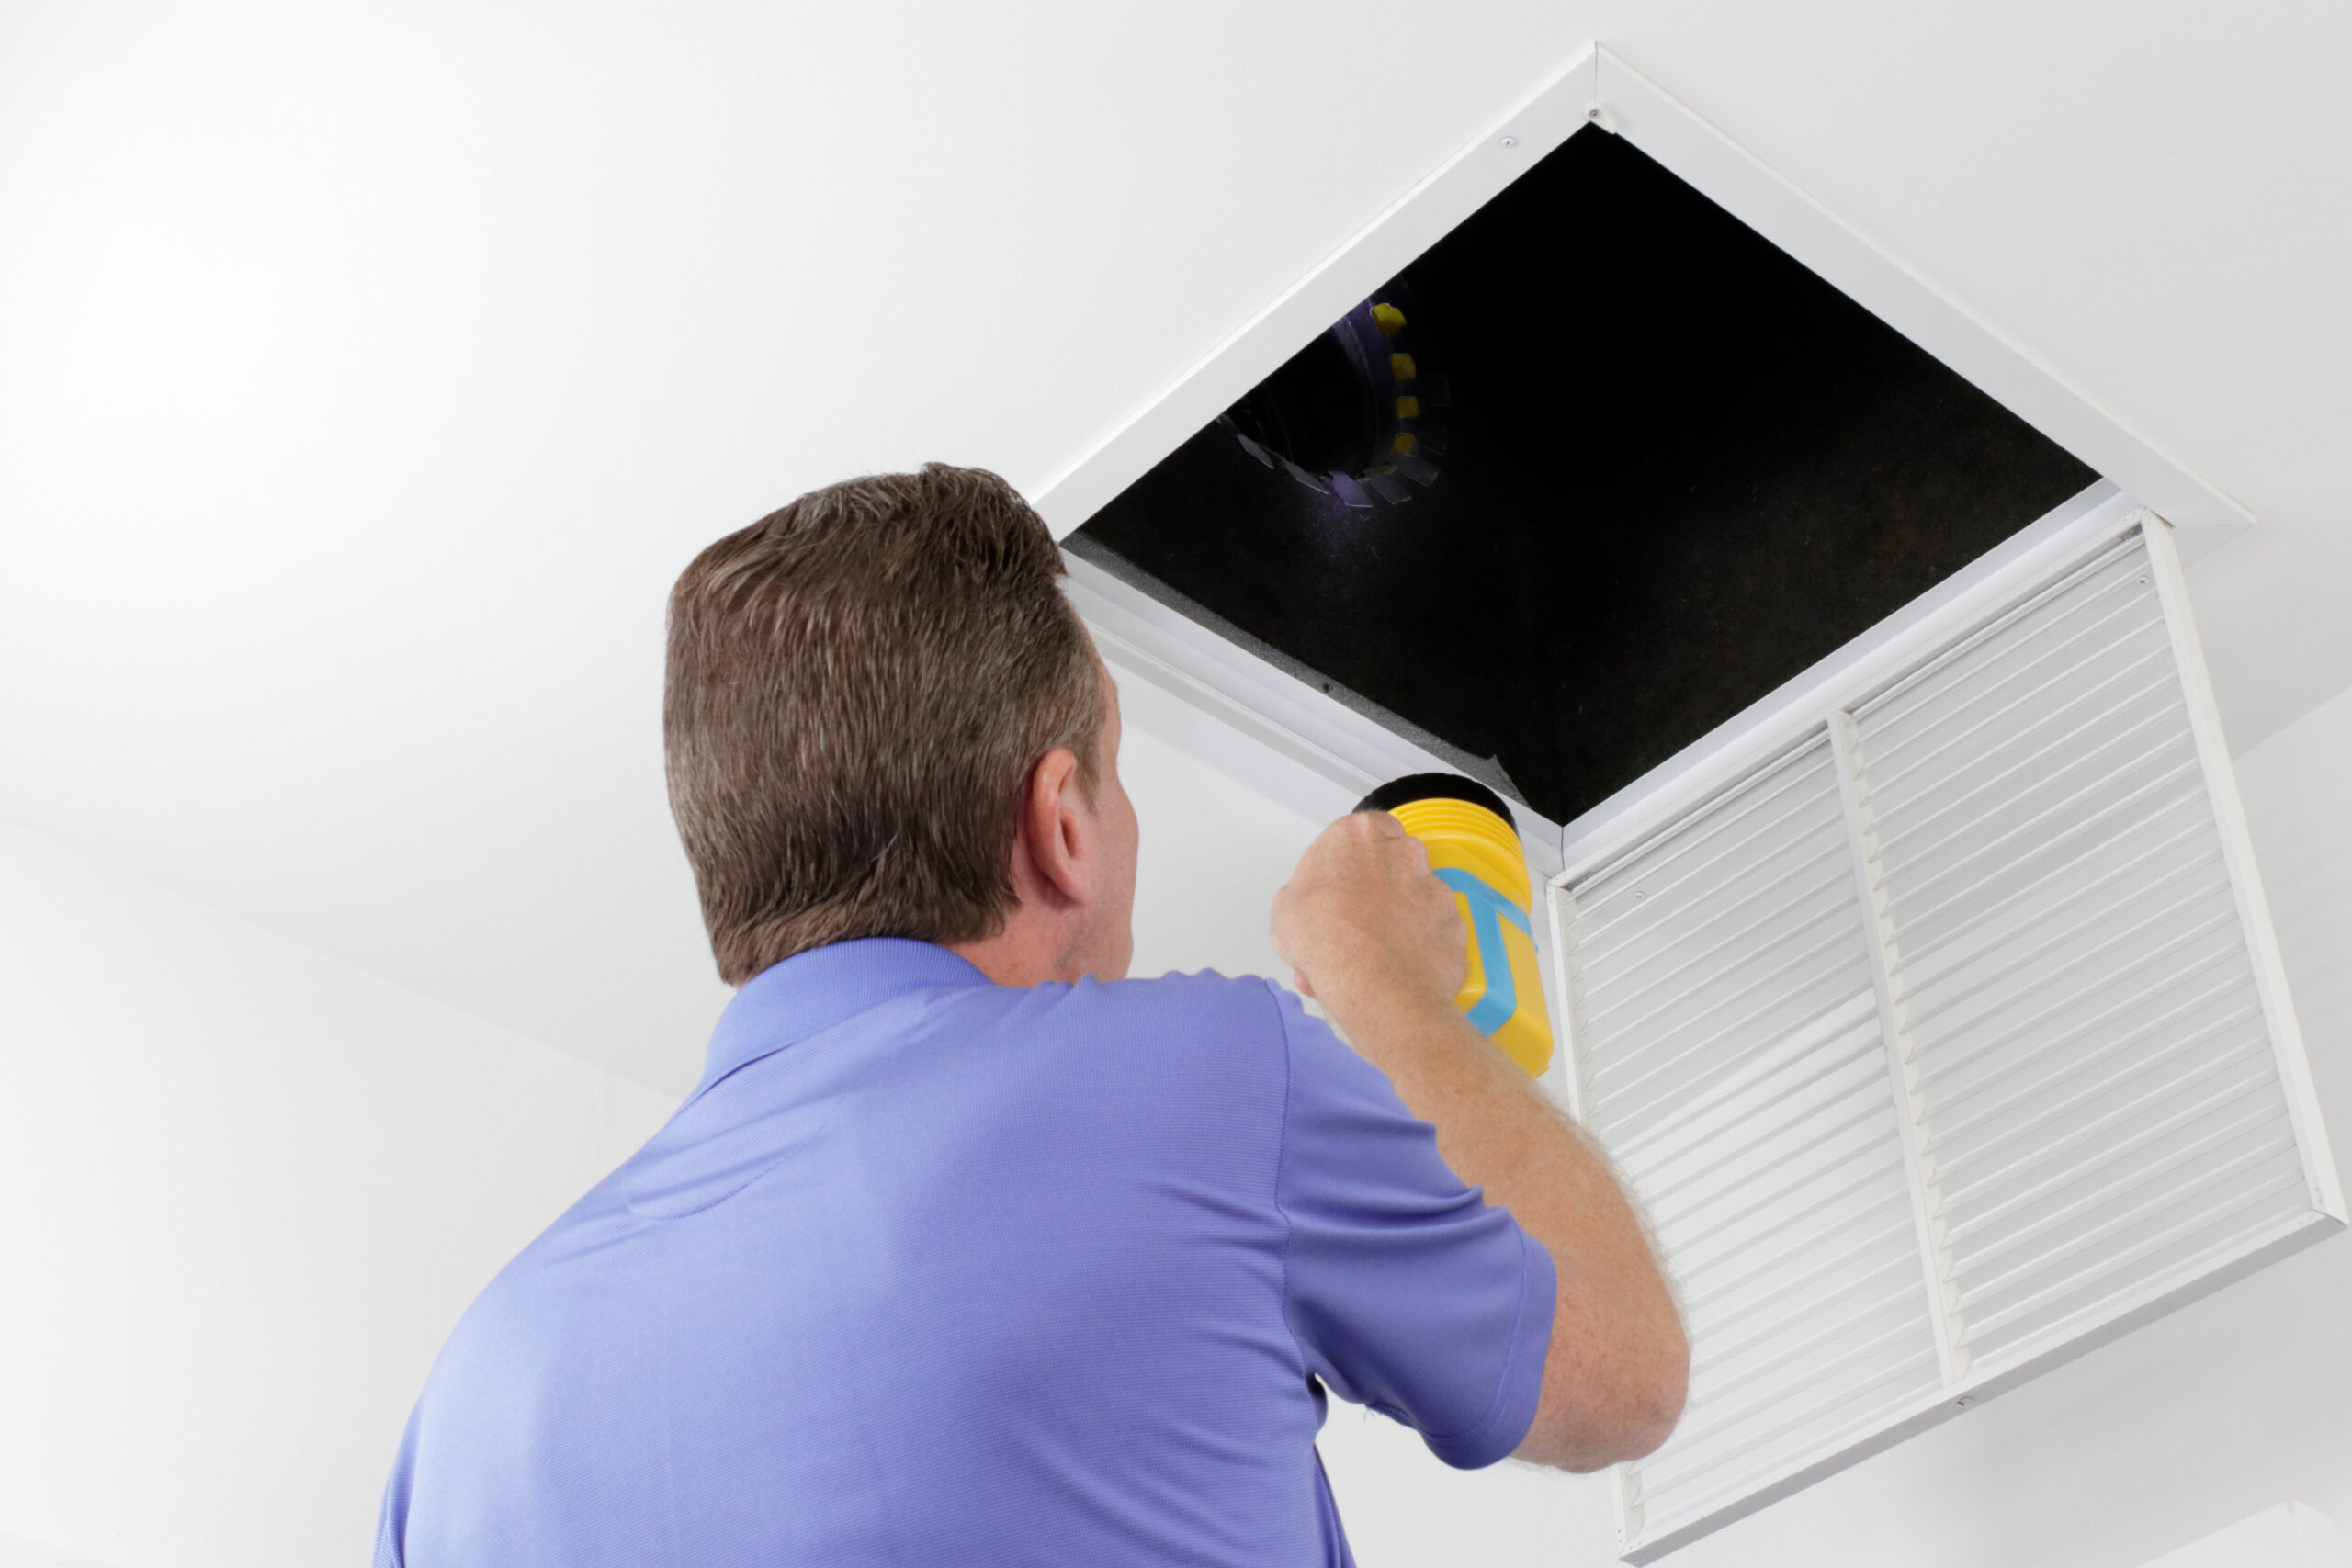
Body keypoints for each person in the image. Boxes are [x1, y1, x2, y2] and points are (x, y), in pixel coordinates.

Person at [373, 464, 1686, 1566]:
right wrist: (1376, 968)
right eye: (1113, 782)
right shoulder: (1204, 1080)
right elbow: (1620, 1376)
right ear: (1061, 825)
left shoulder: (470, 1401)